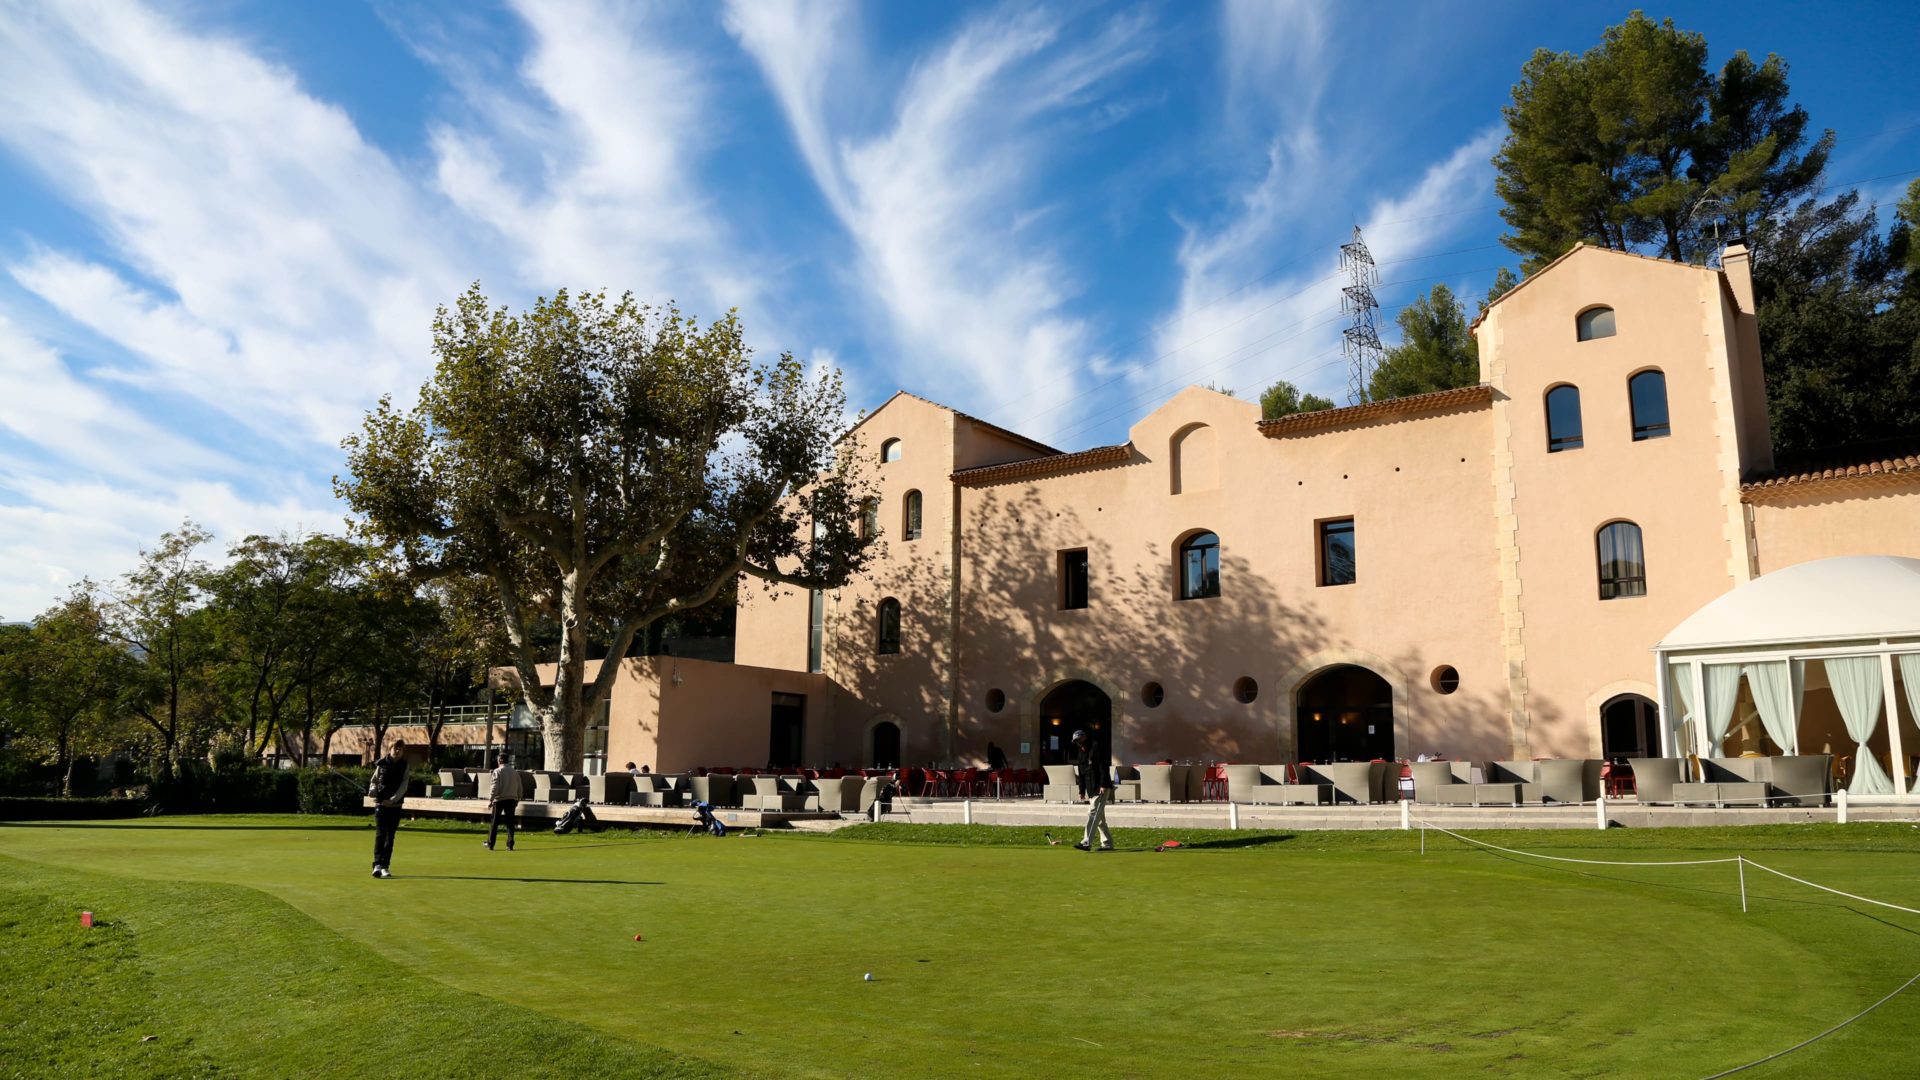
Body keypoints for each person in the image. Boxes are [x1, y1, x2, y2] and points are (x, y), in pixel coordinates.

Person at [367, 740, 411, 878]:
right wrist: (372, 790)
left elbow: (404, 785)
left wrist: (393, 800)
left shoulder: (405, 765)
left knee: (390, 837)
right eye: (395, 748)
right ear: (390, 749)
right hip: (380, 805)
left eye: (400, 749)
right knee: (380, 835)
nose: (397, 751)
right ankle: (377, 865)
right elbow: (374, 781)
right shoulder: (381, 764)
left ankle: (386, 866)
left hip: (395, 806)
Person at [1070, 729, 1113, 852]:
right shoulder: (1080, 753)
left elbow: (1103, 766)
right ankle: (1107, 844)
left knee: (1093, 813)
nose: (1078, 743)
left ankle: (1086, 842)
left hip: (1101, 788)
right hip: (1090, 789)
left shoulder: (1095, 747)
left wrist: (1103, 784)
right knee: (1099, 819)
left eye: (1079, 740)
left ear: (1084, 737)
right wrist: (1081, 790)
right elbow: (1082, 774)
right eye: (1075, 741)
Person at [485, 757, 521, 851]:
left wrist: (490, 799)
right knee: (510, 822)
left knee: (494, 822)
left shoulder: (497, 771)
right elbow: (519, 786)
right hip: (511, 799)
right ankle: (510, 844)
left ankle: (490, 843)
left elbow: (495, 786)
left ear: (500, 760)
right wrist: (518, 798)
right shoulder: (514, 772)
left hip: (499, 799)